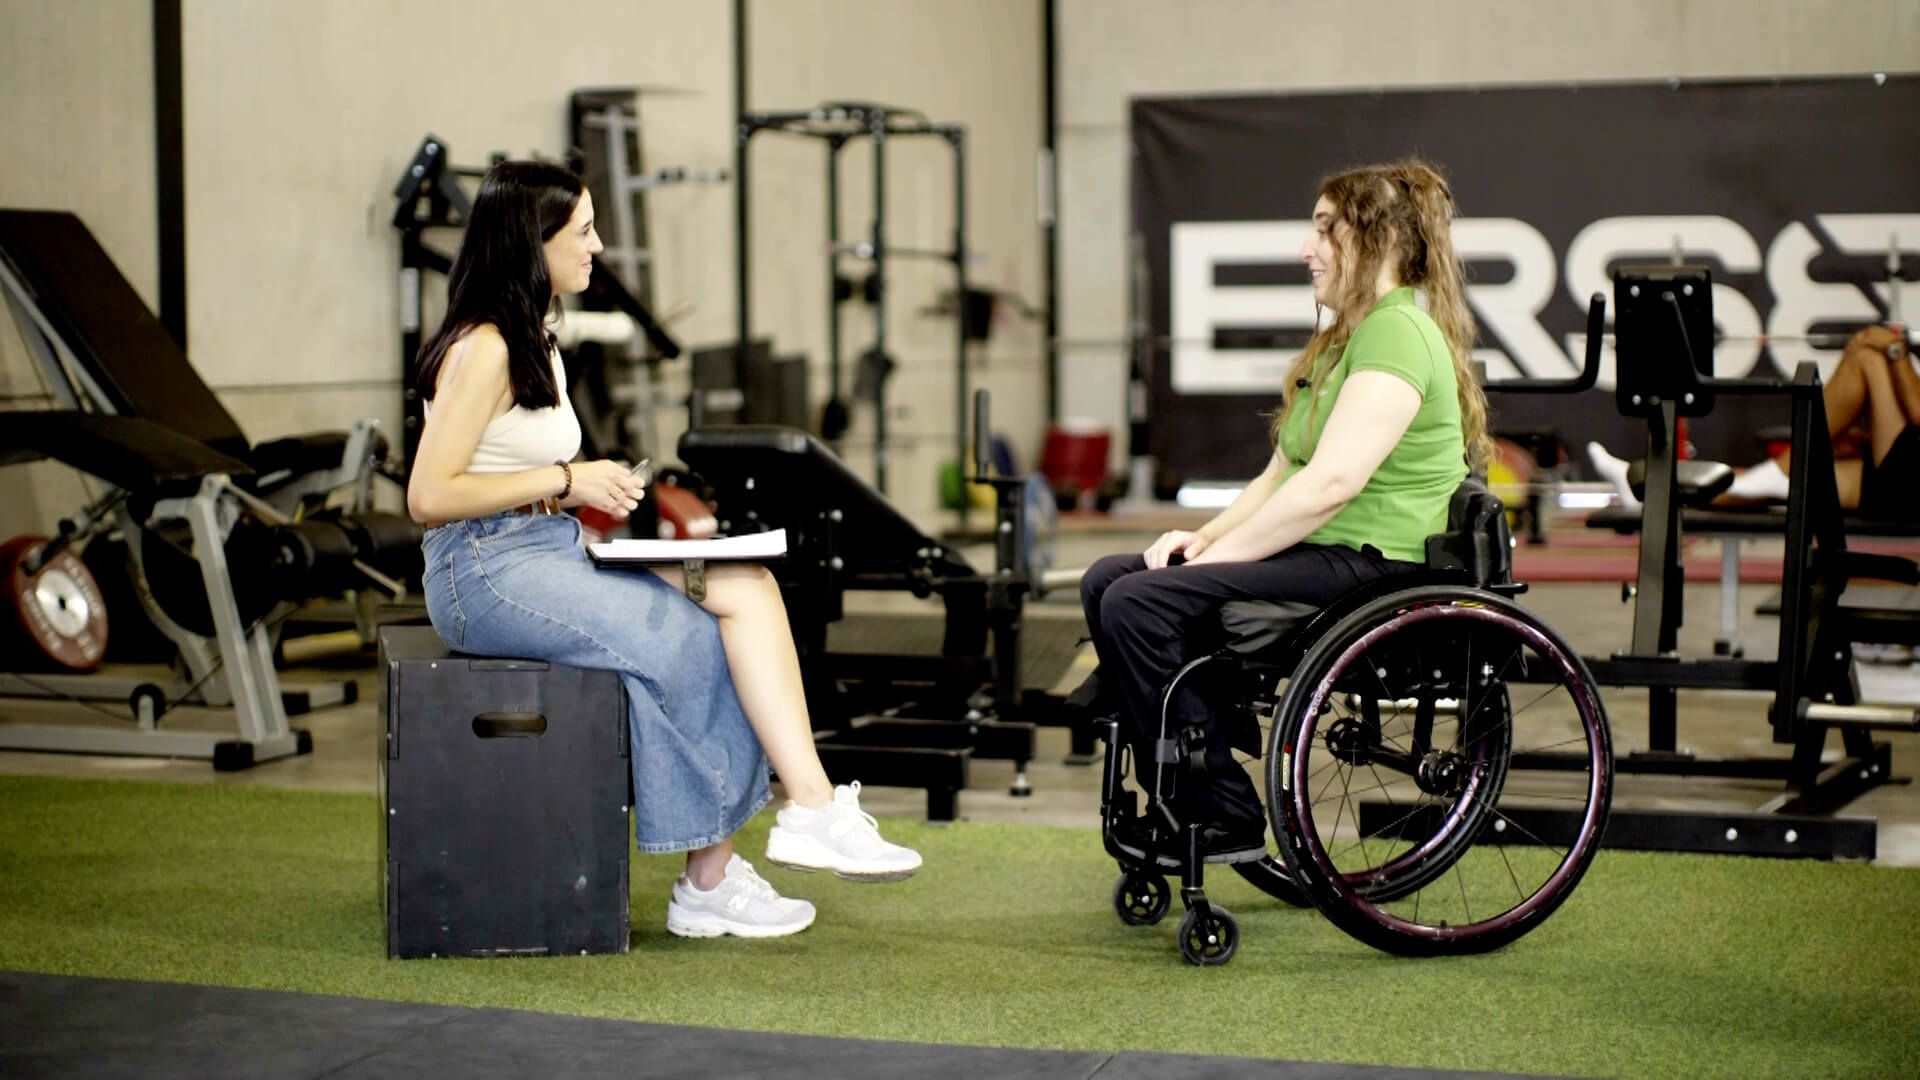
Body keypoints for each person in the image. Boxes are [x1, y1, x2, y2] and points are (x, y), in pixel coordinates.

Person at [406, 161, 920, 941]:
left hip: (544, 544)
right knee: (687, 638)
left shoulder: (535, 335)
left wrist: (578, 490)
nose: (599, 245)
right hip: (484, 571)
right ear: (530, 242)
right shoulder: (484, 348)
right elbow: (427, 497)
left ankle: (810, 808)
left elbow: (513, 469)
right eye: (582, 232)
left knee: (745, 587)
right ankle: (711, 880)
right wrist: (570, 476)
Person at [1079, 159, 1488, 860]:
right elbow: (1281, 475)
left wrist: (1215, 558)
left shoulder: (1396, 332)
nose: (1307, 248)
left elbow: (1331, 485)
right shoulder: (1344, 339)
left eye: (1326, 229)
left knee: (1137, 606)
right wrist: (1200, 538)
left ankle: (1220, 808)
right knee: (1110, 580)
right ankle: (1190, 748)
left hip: (1376, 564)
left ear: (1379, 237)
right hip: (1330, 554)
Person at [1587, 324, 1919, 519]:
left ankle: (1781, 468)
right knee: (1775, 487)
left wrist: (1895, 350)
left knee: (1869, 357)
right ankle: (1644, 493)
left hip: (1909, 480)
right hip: (1902, 475)